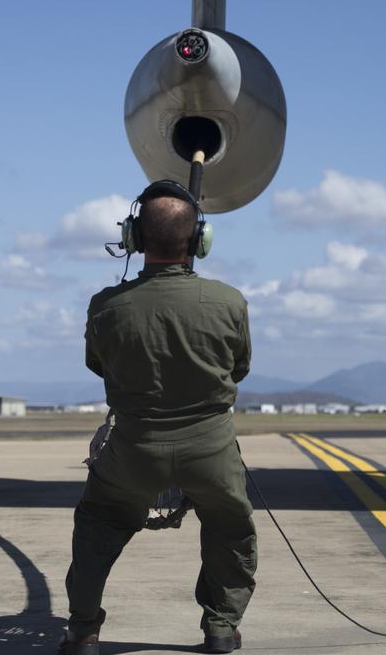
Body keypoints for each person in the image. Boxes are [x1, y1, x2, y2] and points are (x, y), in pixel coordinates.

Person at [58, 180, 256, 655]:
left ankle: (83, 629)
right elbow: (240, 368)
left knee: (98, 524)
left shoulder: (106, 305)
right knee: (230, 528)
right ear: (198, 241)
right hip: (210, 448)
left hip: (133, 448)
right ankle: (221, 629)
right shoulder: (230, 302)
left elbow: (97, 365)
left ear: (135, 239)